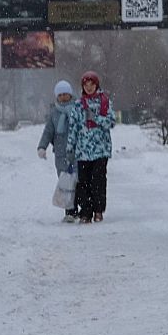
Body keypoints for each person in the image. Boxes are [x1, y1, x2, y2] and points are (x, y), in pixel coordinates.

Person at [67, 70, 116, 223]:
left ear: (96, 85)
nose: (89, 87)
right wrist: (70, 146)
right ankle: (86, 211)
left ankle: (98, 210)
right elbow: (73, 127)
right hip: (83, 151)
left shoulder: (104, 102)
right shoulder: (78, 105)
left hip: (101, 150)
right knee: (83, 182)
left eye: (91, 84)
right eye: (86, 85)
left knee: (98, 181)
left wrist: (96, 118)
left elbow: (111, 122)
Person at [38, 80, 79, 222]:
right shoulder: (54, 113)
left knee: (79, 181)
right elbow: (48, 132)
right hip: (61, 155)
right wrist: (42, 147)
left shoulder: (78, 109)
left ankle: (82, 209)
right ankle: (70, 212)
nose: (63, 97)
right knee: (66, 183)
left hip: (77, 152)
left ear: (70, 94)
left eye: (65, 94)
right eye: (60, 95)